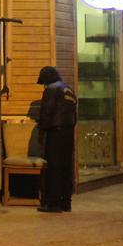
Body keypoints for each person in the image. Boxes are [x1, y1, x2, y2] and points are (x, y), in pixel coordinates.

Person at [36, 65, 77, 213]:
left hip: (55, 132)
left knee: (54, 167)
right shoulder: (68, 89)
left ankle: (54, 204)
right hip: (69, 131)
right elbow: (74, 114)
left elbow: (46, 112)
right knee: (66, 167)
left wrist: (42, 131)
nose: (44, 85)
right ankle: (66, 202)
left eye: (44, 82)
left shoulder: (51, 89)